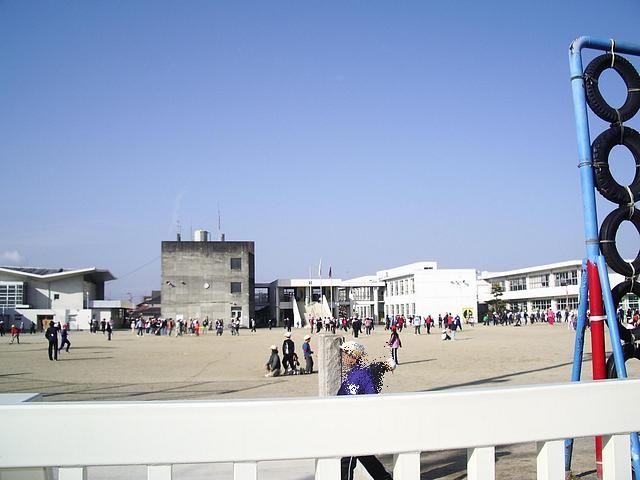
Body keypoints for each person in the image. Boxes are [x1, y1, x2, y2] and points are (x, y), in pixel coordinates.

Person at [338, 341, 393, 480]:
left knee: (347, 460)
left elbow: (372, 398)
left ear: (354, 357)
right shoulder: (351, 374)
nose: (342, 357)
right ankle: (385, 478)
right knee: (364, 456)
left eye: (344, 354)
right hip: (348, 420)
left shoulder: (363, 375)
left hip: (357, 423)